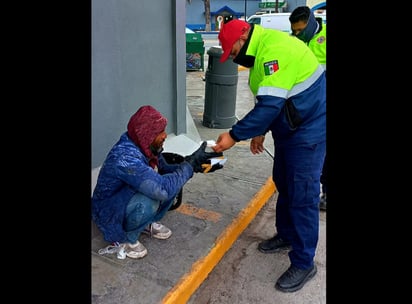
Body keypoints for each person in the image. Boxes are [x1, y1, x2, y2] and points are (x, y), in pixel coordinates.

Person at [213, 19, 326, 292]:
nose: (236, 57)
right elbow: (266, 99)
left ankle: (303, 262)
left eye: (235, 52)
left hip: (309, 129)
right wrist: (260, 132)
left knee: (302, 194)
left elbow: (270, 105)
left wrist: (233, 136)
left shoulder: (274, 50)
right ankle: (287, 235)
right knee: (283, 182)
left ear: (243, 37)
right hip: (290, 127)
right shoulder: (261, 54)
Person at [92, 105, 223, 259]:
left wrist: (194, 165)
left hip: (127, 194)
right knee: (152, 198)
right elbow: (162, 189)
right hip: (110, 208)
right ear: (146, 134)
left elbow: (166, 170)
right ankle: (126, 240)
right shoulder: (125, 157)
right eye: (159, 132)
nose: (165, 135)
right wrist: (188, 166)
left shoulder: (145, 145)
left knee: (174, 180)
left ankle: (147, 223)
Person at [289, 6, 327, 211]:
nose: (297, 34)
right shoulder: (294, 41)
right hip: (305, 107)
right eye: (294, 30)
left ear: (312, 23)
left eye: (301, 30)